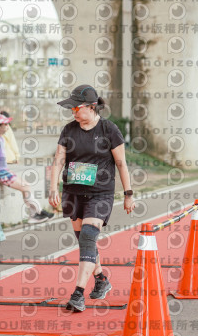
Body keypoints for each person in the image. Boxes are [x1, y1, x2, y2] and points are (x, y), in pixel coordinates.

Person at [48, 85, 135, 312]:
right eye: (71, 108)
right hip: (73, 193)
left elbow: (121, 164)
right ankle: (101, 279)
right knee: (85, 241)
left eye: (77, 108)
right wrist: (53, 187)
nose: (73, 112)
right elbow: (59, 160)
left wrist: (128, 194)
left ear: (91, 106)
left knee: (88, 236)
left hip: (100, 193)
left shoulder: (109, 130)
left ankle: (78, 293)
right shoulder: (69, 130)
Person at [0, 114, 54, 224]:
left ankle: (36, 213)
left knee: (26, 185)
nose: (7, 126)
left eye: (7, 124)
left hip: (2, 171)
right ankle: (37, 213)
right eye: (5, 124)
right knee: (25, 186)